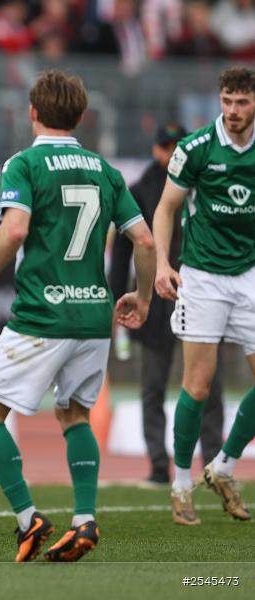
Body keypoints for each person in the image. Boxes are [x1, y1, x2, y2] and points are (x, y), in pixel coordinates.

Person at [0, 70, 156, 562]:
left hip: (43, 314)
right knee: (74, 413)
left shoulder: (24, 164)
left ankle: (29, 518)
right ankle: (85, 518)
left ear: (32, 113)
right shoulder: (106, 170)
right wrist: (142, 298)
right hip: (94, 316)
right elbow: (145, 240)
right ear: (82, 116)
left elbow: (16, 230)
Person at [153, 66, 255, 526]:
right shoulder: (195, 148)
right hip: (204, 277)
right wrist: (161, 264)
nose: (233, 111)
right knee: (198, 383)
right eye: (227, 101)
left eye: (242, 102)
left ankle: (223, 467)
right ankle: (180, 485)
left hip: (250, 274)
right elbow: (166, 208)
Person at [108, 123, 225, 486]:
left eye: (178, 145)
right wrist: (115, 296)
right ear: (156, 150)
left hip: (200, 292)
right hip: (157, 300)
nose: (172, 151)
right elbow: (124, 248)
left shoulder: (205, 182)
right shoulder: (140, 190)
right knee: (153, 386)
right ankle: (160, 465)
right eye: (166, 145)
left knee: (208, 386)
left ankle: (213, 465)